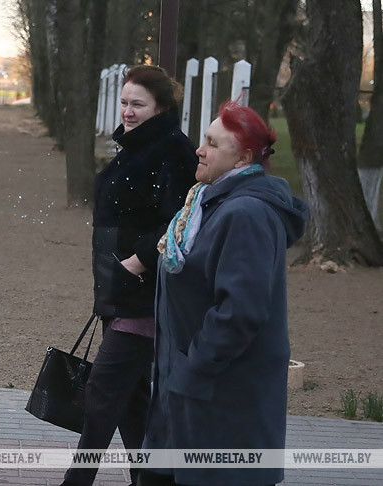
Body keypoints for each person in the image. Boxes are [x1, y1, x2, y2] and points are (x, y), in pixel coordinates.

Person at [139, 102, 308, 486]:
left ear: (242, 158)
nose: (200, 149)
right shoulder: (202, 204)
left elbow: (240, 312)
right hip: (189, 399)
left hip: (222, 406)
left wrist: (190, 370)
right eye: (204, 140)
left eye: (213, 143)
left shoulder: (246, 213)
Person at [62, 66, 198, 486]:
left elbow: (181, 219)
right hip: (117, 288)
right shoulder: (133, 147)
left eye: (138, 104)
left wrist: (137, 262)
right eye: (124, 102)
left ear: (160, 108)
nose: (128, 111)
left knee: (103, 390)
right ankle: (153, 478)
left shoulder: (173, 149)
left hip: (145, 293)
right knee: (133, 396)